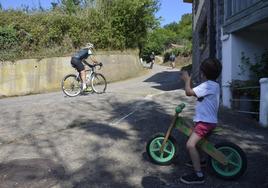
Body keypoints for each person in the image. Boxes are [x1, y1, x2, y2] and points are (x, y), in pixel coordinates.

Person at [179, 58, 222, 184]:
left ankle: (198, 175)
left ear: (203, 73)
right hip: (209, 121)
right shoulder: (214, 85)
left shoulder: (207, 85)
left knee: (190, 144)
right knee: (201, 143)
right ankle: (201, 161)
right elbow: (198, 95)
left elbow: (188, 92)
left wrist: (187, 80)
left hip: (205, 122)